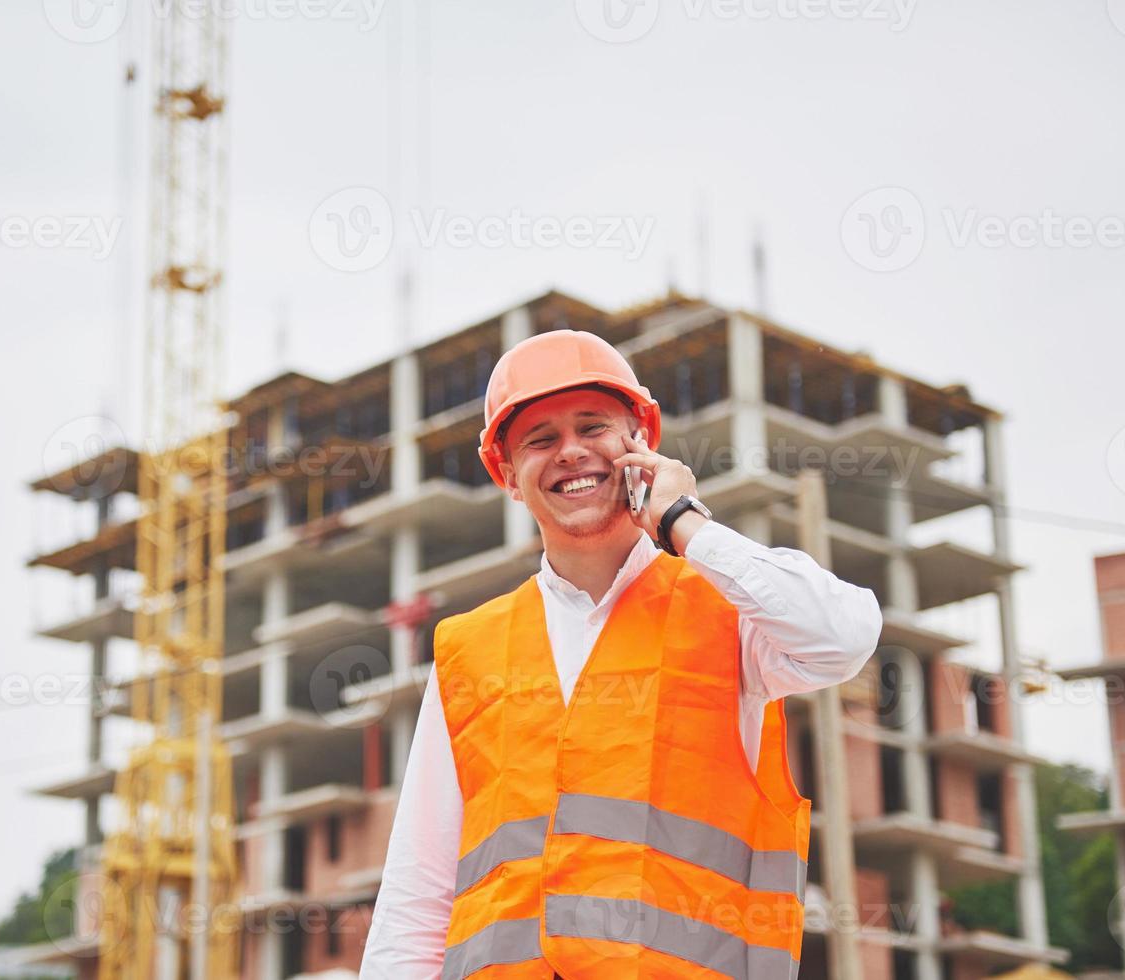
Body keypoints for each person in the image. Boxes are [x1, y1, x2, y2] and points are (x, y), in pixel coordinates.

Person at [359, 329, 882, 980]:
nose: (570, 453)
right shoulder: (468, 649)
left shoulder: (726, 611)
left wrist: (684, 523)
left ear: (641, 438)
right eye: (540, 439)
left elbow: (843, 636)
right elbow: (418, 892)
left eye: (593, 427)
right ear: (505, 474)